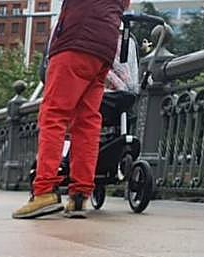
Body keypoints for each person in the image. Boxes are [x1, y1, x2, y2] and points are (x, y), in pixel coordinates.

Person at [12, 0, 130, 220]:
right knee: (87, 122)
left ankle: (44, 191)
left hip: (76, 38)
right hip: (104, 46)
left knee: (53, 115)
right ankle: (79, 196)